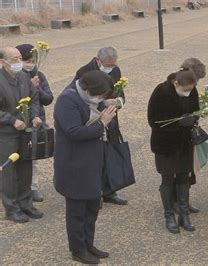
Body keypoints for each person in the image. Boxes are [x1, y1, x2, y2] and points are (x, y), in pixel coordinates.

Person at [54, 71, 116, 264]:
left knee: (91, 207)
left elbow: (92, 110)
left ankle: (88, 244)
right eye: (99, 95)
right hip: (74, 164)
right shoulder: (67, 100)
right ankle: (78, 249)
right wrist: (102, 123)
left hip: (91, 162)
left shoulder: (88, 98)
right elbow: (74, 132)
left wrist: (104, 106)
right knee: (77, 211)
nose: (100, 98)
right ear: (88, 89)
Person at [73, 47, 127, 206]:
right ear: (98, 60)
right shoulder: (84, 72)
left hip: (111, 116)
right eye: (107, 64)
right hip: (92, 118)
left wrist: (119, 102)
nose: (110, 67)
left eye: (113, 64)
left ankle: (109, 191)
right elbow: (80, 98)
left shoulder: (115, 70)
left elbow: (119, 91)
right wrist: (102, 102)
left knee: (109, 154)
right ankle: (92, 193)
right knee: (93, 157)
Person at [147, 68, 199, 234]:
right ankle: (169, 215)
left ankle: (184, 214)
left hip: (185, 142)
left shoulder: (192, 89)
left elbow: (196, 109)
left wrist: (193, 119)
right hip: (165, 144)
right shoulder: (161, 91)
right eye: (185, 90)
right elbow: (153, 120)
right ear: (176, 83)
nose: (188, 93)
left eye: (190, 90)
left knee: (184, 177)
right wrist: (177, 124)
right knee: (168, 179)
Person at [0, 47, 43, 223]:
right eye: (14, 59)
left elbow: (34, 98)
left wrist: (35, 116)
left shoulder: (24, 77)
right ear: (3, 62)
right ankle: (11, 208)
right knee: (9, 171)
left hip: (25, 132)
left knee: (26, 167)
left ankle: (26, 203)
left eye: (19, 58)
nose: (19, 62)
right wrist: (11, 120)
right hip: (6, 133)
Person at [16, 43, 54, 203]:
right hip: (16, 122)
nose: (30, 63)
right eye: (28, 60)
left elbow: (48, 99)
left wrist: (36, 88)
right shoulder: (12, 76)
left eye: (33, 60)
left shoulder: (39, 75)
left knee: (33, 157)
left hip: (35, 121)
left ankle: (33, 188)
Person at [172, 58, 207, 214]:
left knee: (187, 172)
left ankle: (183, 201)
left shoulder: (191, 88)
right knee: (175, 172)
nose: (196, 83)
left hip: (188, 136)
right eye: (196, 79)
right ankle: (174, 202)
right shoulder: (173, 87)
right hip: (173, 138)